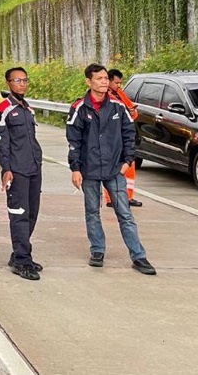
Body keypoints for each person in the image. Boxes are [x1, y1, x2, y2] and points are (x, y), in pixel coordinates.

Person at [67, 64, 156, 275]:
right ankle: (97, 250)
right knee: (92, 212)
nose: (105, 82)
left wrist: (127, 162)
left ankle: (139, 256)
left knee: (125, 214)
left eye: (106, 78)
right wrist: (75, 168)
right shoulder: (79, 108)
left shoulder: (118, 106)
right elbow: (74, 140)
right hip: (89, 170)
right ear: (88, 82)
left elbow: (129, 135)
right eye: (99, 78)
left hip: (115, 170)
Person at [0, 67, 44, 280]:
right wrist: (6, 169)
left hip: (33, 168)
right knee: (19, 215)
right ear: (8, 83)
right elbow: (2, 144)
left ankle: (19, 254)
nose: (22, 84)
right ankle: (22, 261)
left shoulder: (28, 109)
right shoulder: (2, 109)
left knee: (32, 213)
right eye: (17, 80)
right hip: (17, 171)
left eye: (25, 80)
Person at [105, 68, 142, 208]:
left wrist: (131, 111)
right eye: (116, 83)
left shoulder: (120, 94)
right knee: (111, 168)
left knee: (130, 166)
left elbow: (133, 113)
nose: (119, 86)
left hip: (124, 136)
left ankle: (128, 196)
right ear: (108, 81)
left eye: (120, 83)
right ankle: (110, 198)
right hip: (112, 137)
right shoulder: (105, 97)